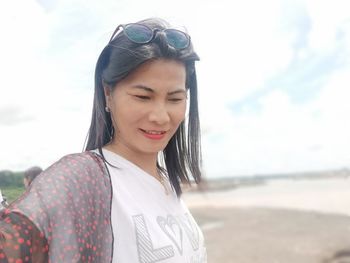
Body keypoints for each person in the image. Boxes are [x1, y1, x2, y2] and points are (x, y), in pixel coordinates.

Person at [0, 17, 207, 262]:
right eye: (143, 96)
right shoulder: (83, 178)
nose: (160, 117)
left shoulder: (166, 183)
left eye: (174, 99)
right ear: (108, 94)